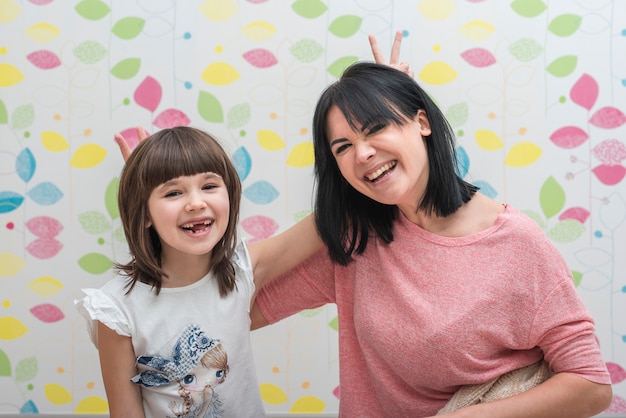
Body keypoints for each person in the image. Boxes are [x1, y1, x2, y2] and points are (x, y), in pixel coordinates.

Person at [250, 61, 613, 416]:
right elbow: (234, 307)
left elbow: (591, 384)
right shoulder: (358, 241)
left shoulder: (516, 244)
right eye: (342, 147)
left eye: (376, 127)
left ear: (422, 121)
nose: (362, 153)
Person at [75, 126, 323, 418]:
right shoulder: (115, 309)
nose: (196, 202)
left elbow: (328, 220)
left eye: (208, 186)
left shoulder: (242, 269)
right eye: (174, 192)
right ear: (143, 214)